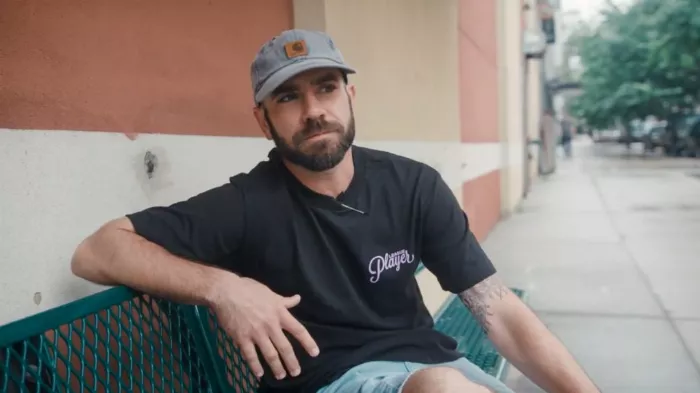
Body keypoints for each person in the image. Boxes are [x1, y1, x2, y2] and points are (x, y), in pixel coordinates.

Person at [71, 29, 600, 393]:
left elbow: (498, 310)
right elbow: (96, 252)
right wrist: (223, 288)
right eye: (288, 97)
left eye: (325, 88)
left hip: (435, 368)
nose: (313, 112)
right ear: (264, 120)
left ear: (350, 95)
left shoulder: (413, 185)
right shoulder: (247, 204)